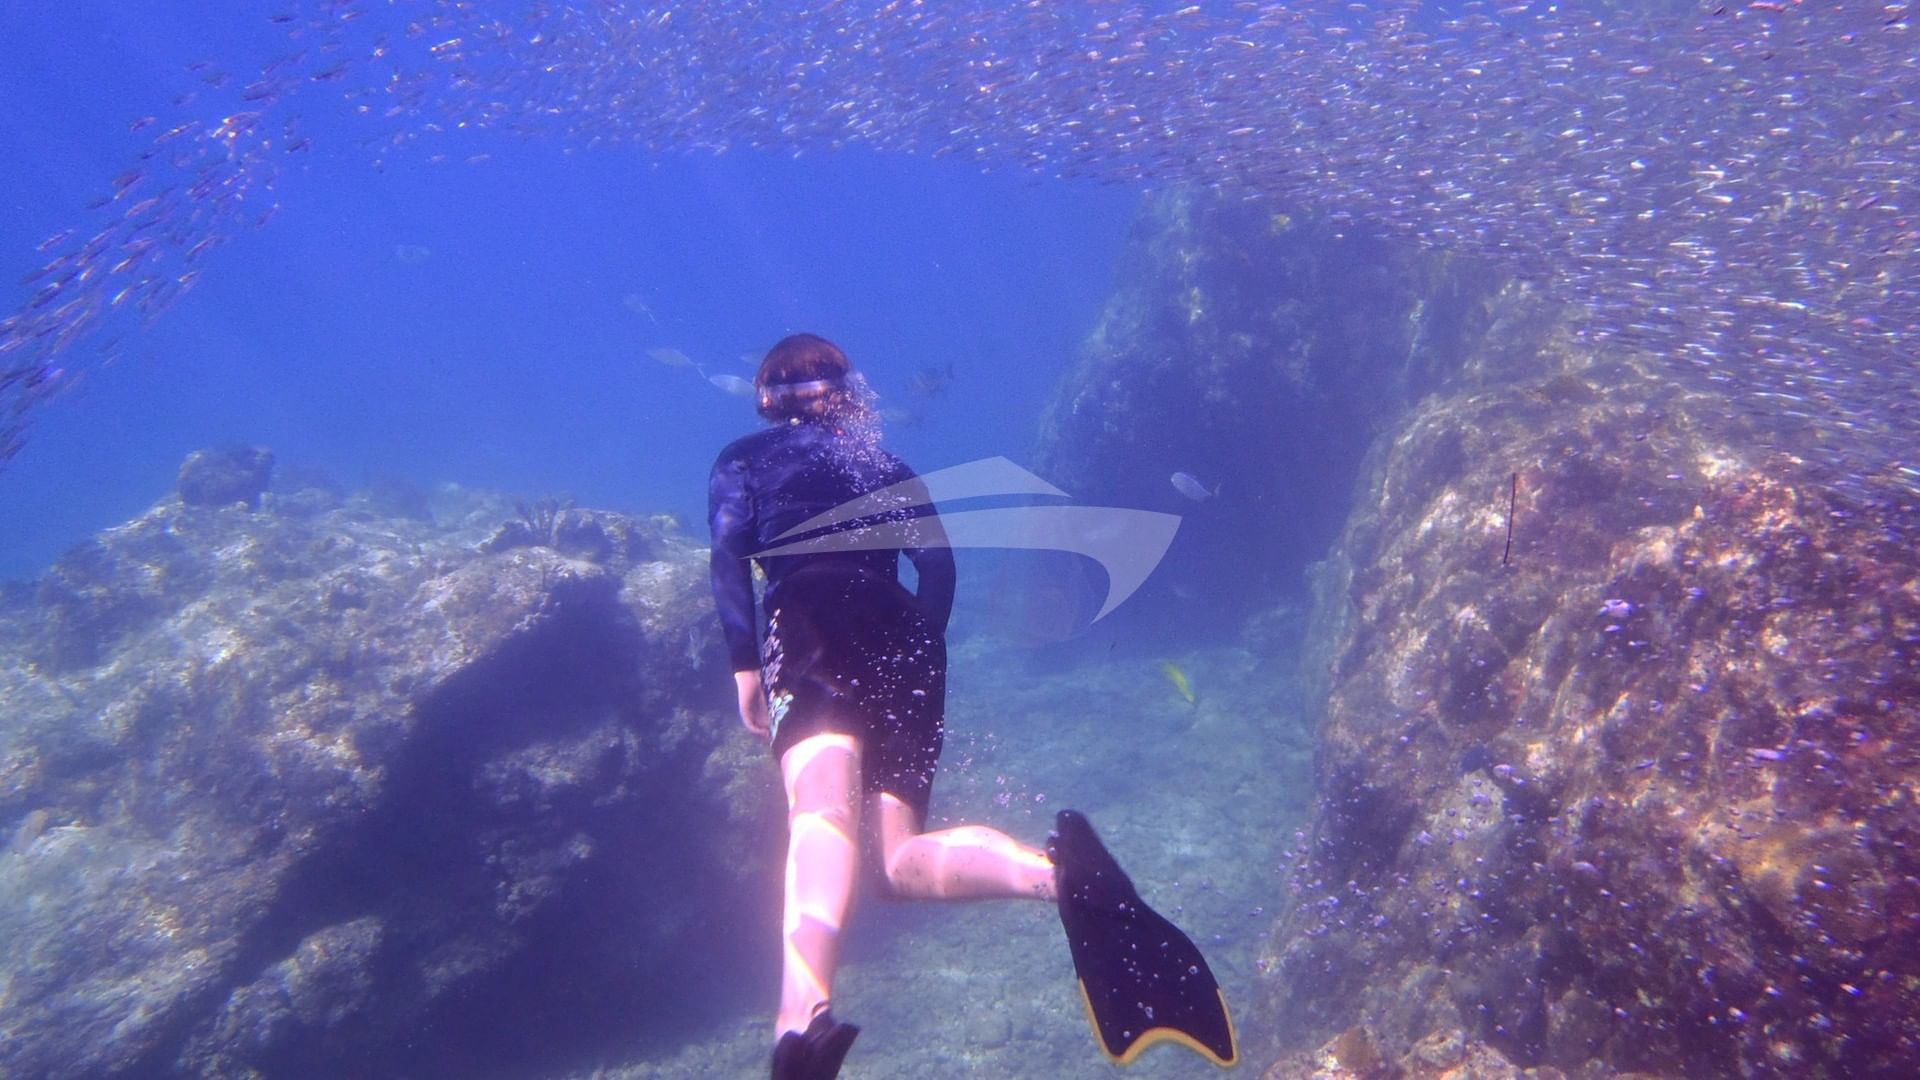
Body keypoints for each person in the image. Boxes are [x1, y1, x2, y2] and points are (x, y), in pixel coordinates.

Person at [709, 334, 1237, 1079]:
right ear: (848, 398)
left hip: (807, 624)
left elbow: (729, 554)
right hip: (905, 635)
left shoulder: (743, 459)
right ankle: (1056, 877)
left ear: (767, 401)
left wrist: (742, 663)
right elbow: (937, 565)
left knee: (821, 808)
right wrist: (920, 650)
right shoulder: (884, 467)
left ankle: (801, 1020)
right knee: (894, 860)